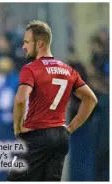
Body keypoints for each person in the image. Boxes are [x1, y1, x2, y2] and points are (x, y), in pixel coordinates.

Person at [7, 20, 98, 181]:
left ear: (39, 44)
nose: (24, 47)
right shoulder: (67, 69)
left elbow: (21, 99)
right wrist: (69, 129)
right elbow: (90, 99)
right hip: (60, 137)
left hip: (37, 135)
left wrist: (18, 127)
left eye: (27, 42)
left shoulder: (31, 69)